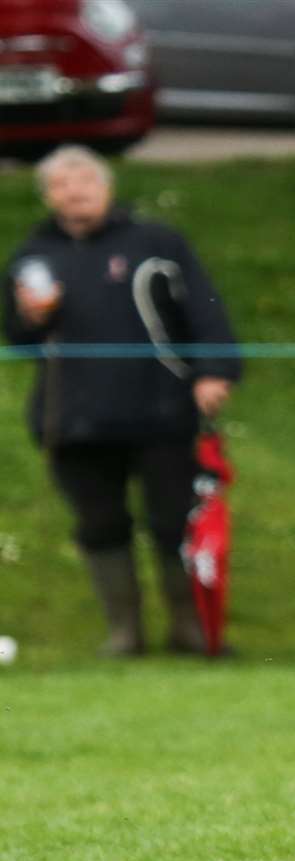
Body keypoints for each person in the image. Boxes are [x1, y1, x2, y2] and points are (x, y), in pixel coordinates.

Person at [3, 145, 240, 657]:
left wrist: (215, 371)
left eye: (84, 181)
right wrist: (32, 317)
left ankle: (189, 630)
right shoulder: (32, 255)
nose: (74, 192)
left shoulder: (155, 242)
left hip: (160, 411)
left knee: (173, 520)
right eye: (61, 185)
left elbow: (204, 309)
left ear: (106, 187)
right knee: (99, 525)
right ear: (47, 196)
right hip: (72, 418)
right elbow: (17, 338)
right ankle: (124, 635)